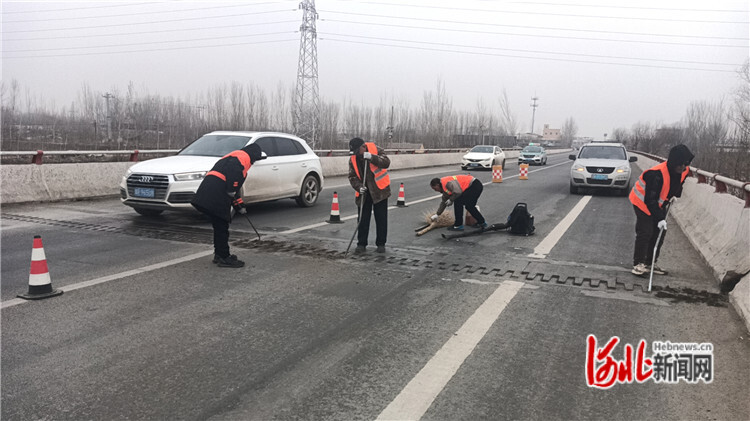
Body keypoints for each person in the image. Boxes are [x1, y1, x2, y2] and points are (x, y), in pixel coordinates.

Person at [191, 143, 264, 268]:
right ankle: (224, 257)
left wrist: (239, 205)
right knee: (221, 225)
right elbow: (233, 178)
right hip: (216, 193)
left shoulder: (234, 155)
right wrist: (233, 187)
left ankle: (219, 254)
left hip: (209, 191)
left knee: (219, 224)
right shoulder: (243, 158)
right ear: (254, 155)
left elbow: (233, 190)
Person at [629, 144, 694, 277]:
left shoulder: (683, 171)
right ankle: (638, 264)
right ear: (674, 162)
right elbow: (650, 200)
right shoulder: (656, 174)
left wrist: (674, 195)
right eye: (680, 164)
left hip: (658, 203)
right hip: (642, 202)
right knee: (646, 231)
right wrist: (659, 218)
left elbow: (678, 183)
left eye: (685, 164)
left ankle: (650, 263)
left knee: (659, 232)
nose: (683, 167)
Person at [348, 137, 391, 253]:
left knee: (381, 219)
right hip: (364, 193)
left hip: (379, 191)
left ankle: (381, 244)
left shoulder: (376, 150)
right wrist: (359, 187)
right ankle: (361, 244)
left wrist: (372, 157)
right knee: (362, 219)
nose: (357, 154)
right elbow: (352, 176)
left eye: (358, 151)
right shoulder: (353, 158)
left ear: (363, 147)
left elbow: (386, 163)